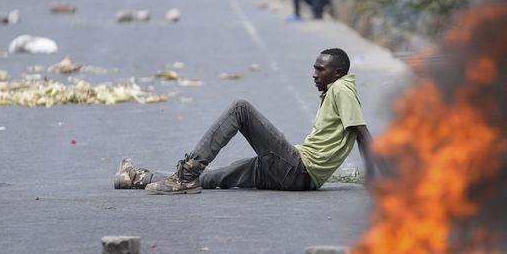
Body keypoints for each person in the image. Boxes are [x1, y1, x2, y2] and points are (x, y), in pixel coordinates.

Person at [114, 48, 383, 194]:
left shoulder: (342, 89)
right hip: (294, 172)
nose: (313, 74)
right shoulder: (334, 89)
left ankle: (186, 172)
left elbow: (361, 133)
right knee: (210, 179)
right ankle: (138, 178)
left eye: (319, 69)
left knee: (241, 109)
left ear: (337, 72)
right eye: (314, 67)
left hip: (298, 170)